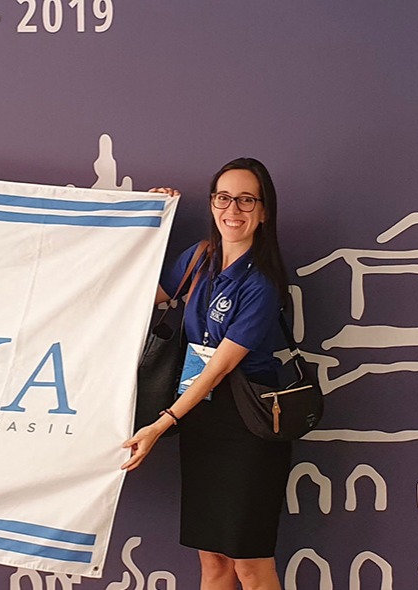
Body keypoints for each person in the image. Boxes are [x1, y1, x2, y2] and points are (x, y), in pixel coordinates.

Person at [122, 157, 292, 590]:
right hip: (201, 421)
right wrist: (150, 222)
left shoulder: (263, 284)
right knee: (213, 561)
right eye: (223, 198)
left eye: (246, 200)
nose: (232, 210)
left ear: (264, 210)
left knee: (250, 566)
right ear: (212, 203)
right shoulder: (199, 258)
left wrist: (161, 424)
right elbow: (138, 300)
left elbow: (219, 368)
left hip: (248, 427)